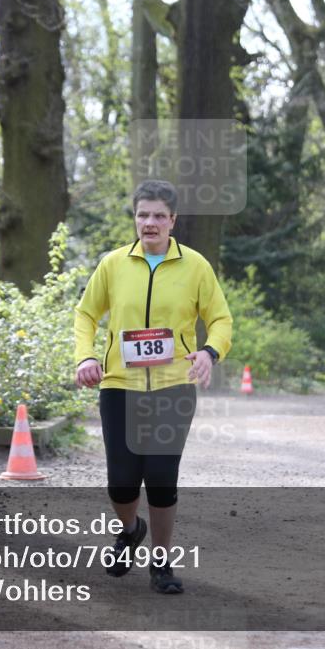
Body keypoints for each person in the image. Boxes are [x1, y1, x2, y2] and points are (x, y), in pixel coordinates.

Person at [74, 179, 233, 594]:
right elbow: (86, 315)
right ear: (135, 218)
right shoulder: (112, 265)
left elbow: (220, 319)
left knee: (161, 476)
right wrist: (86, 356)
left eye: (159, 215)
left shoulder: (195, 266)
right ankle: (130, 530)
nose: (150, 223)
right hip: (120, 385)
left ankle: (161, 563)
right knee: (121, 481)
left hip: (172, 387)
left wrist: (209, 353)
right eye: (143, 214)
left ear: (172, 221)